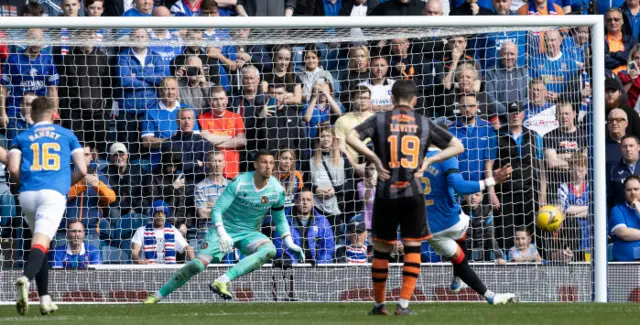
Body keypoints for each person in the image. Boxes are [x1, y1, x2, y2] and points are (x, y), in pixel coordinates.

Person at [346, 80, 465, 315]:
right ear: (415, 100)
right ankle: (403, 305)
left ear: (392, 98)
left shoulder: (380, 120)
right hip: (413, 192)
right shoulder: (423, 122)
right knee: (412, 247)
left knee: (381, 249)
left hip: (385, 192)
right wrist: (429, 160)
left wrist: (375, 159)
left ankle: (380, 305)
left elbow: (350, 137)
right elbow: (457, 146)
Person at [143, 150, 304, 303]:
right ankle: (157, 296)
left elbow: (280, 218)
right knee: (197, 266)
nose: (268, 166)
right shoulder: (239, 183)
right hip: (224, 230)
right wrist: (222, 234)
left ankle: (222, 281)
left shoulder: (276, 190)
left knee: (270, 250)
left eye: (271, 163)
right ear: (255, 164)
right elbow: (217, 210)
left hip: (249, 233)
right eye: (264, 162)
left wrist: (289, 242)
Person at [8, 96, 87, 315]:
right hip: (52, 194)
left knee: (40, 242)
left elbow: (13, 169)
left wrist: (25, 182)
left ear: (31, 115)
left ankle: (44, 298)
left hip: (27, 194)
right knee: (40, 244)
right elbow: (82, 169)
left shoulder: (21, 136)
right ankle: (25, 278)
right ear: (54, 114)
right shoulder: (67, 134)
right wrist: (62, 185)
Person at [422, 145, 515, 304]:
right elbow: (461, 187)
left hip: (428, 228)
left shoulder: (410, 161)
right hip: (452, 221)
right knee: (464, 228)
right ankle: (459, 278)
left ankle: (488, 295)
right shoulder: (445, 157)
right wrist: (492, 180)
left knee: (459, 260)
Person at [610, 175, 640, 261]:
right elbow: (624, 233)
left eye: (636, 189)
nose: (633, 192)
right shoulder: (617, 210)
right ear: (624, 192)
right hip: (624, 264)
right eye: (629, 190)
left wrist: (638, 207)